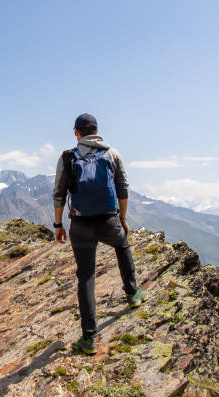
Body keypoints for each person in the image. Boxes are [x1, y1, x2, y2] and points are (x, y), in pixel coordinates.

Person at [52, 113, 147, 355]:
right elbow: (123, 188)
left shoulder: (68, 157)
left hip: (80, 224)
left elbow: (59, 193)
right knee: (122, 246)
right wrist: (122, 220)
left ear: (77, 132)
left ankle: (89, 338)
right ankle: (133, 293)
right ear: (97, 130)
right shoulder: (112, 154)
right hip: (108, 220)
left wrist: (58, 225)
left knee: (86, 276)